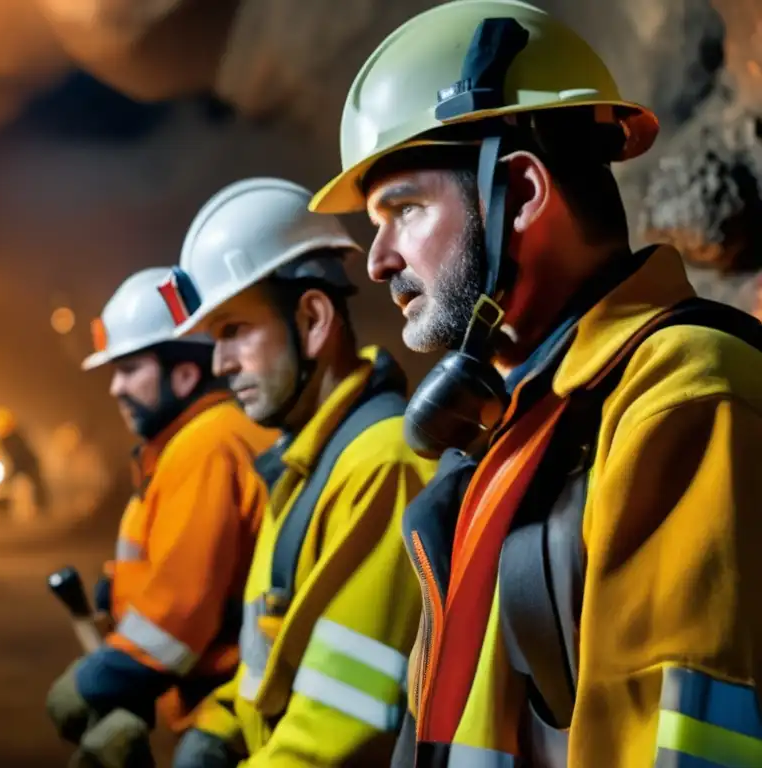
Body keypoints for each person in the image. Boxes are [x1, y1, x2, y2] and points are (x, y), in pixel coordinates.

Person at [309, 1, 762, 766]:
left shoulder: (682, 395)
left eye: (406, 209)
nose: (379, 259)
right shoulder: (527, 420)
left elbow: (679, 745)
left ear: (518, 195)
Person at [166, 177, 437, 767]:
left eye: (235, 330)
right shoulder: (307, 462)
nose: (219, 362)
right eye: (215, 339)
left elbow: (339, 731)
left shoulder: (380, 464)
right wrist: (219, 726)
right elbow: (279, 659)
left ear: (313, 318)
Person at [45, 267, 278, 767]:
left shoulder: (205, 446)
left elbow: (182, 611)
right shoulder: (200, 439)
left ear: (185, 373)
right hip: (231, 691)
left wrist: (100, 678)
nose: (115, 388)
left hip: (228, 699)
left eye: (129, 369)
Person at [0, 406, 50, 516]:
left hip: (28, 462)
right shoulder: (2, 439)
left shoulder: (15, 436)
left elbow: (19, 454)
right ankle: (2, 507)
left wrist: (13, 469)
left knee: (37, 484)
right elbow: (1, 454)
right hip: (18, 463)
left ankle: (43, 507)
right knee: (7, 484)